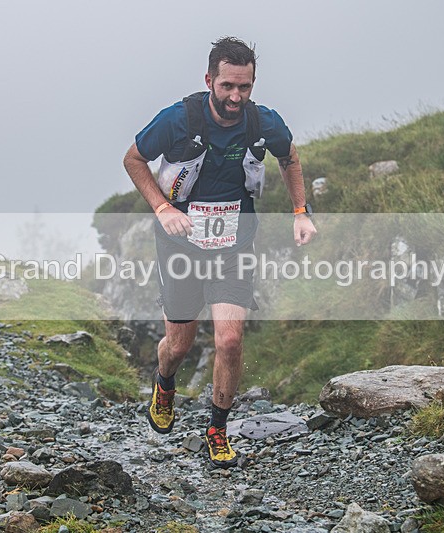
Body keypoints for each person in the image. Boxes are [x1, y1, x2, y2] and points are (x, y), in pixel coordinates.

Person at [123, 37, 316, 468]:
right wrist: (162, 207)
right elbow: (133, 159)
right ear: (209, 79)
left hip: (234, 242)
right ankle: (165, 383)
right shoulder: (178, 119)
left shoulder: (263, 122)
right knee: (179, 344)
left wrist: (300, 212)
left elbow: (289, 159)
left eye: (244, 88)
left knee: (229, 339)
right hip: (180, 244)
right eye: (227, 85)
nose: (235, 97)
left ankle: (217, 430)